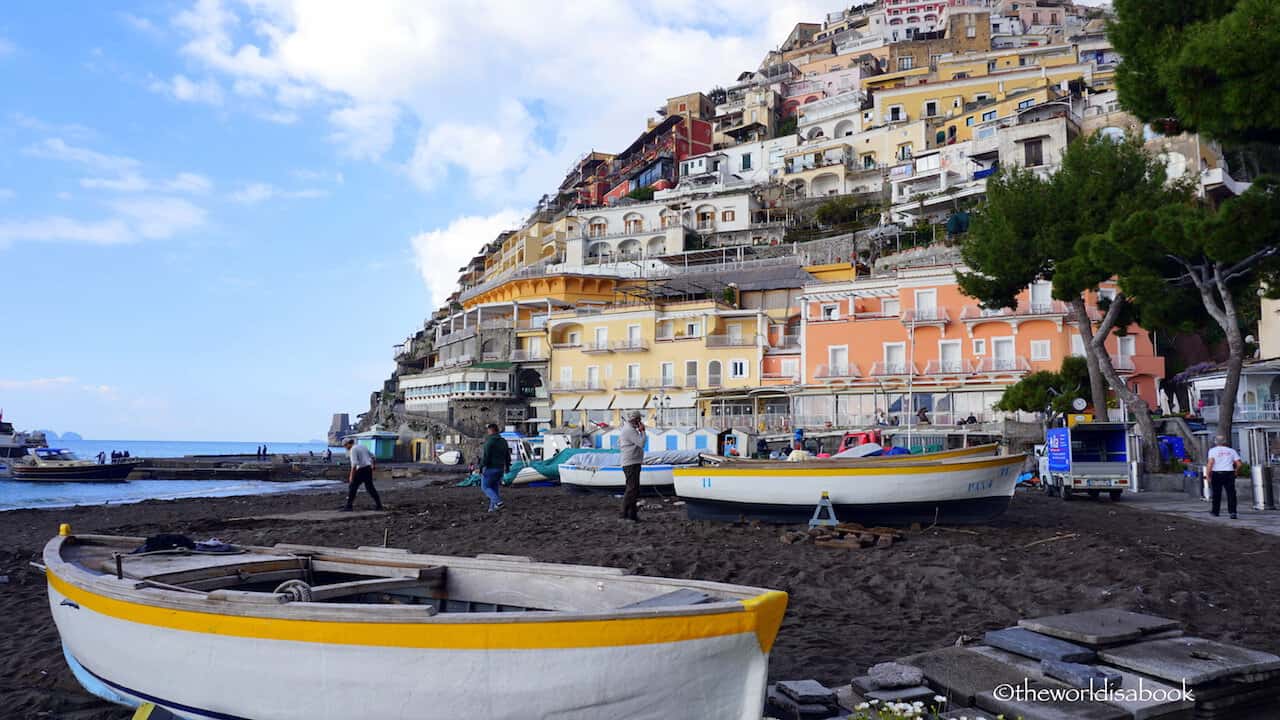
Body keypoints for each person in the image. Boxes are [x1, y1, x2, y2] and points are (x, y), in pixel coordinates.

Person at [619, 410, 646, 521]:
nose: (640, 421)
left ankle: (632, 514)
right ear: (636, 420)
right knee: (632, 489)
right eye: (639, 419)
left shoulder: (626, 429)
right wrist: (643, 431)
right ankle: (624, 513)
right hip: (631, 463)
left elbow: (619, 443)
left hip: (630, 462)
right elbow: (642, 443)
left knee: (633, 489)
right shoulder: (630, 430)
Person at [341, 438, 383, 511]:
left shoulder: (353, 450)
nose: (345, 448)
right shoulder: (362, 446)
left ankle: (349, 506)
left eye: (345, 446)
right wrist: (373, 465)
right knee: (370, 488)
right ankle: (379, 505)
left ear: (348, 444)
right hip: (368, 469)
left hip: (361, 469)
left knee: (352, 486)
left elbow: (354, 464)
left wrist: (351, 476)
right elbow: (373, 456)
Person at [1206, 435, 1242, 519]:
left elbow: (1210, 463)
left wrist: (1208, 474)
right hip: (1229, 473)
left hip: (1217, 473)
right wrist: (1236, 472)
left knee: (1216, 493)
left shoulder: (1212, 451)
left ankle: (1215, 511)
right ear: (1224, 441)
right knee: (1231, 493)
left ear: (1215, 442)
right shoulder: (1231, 451)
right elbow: (1239, 464)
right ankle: (1232, 512)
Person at [479, 423, 510, 512]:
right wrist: (507, 467)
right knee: (494, 488)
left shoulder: (489, 442)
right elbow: (507, 455)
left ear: (491, 430)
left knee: (485, 487)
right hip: (500, 468)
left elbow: (486, 457)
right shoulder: (503, 441)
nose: (487, 432)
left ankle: (498, 502)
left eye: (488, 430)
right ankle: (492, 508)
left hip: (490, 468)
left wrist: (481, 467)